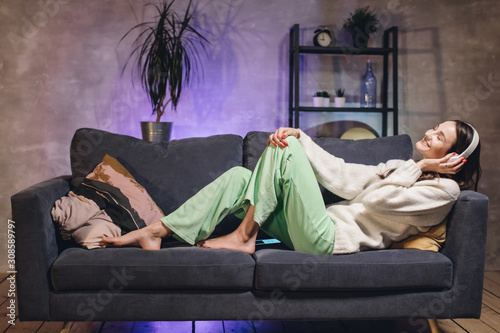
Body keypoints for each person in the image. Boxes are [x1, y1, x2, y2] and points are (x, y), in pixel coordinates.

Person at [102, 120, 481, 255]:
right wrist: (302, 136)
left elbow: (379, 201)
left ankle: (243, 236)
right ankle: (157, 231)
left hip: (329, 240)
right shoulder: (403, 167)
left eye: (440, 135)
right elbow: (346, 177)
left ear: (456, 157)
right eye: (435, 128)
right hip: (310, 227)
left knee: (287, 150)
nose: (431, 133)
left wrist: (418, 167)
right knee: (239, 177)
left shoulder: (441, 193)